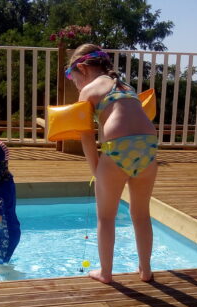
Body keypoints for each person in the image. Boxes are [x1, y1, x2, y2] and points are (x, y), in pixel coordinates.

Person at [66, 43, 159, 284]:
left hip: (118, 148)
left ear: (83, 68)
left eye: (72, 77)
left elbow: (86, 136)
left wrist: (97, 170)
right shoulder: (126, 86)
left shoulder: (88, 91)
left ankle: (105, 273)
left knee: (106, 217)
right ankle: (146, 270)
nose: (74, 83)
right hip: (148, 147)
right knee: (141, 214)